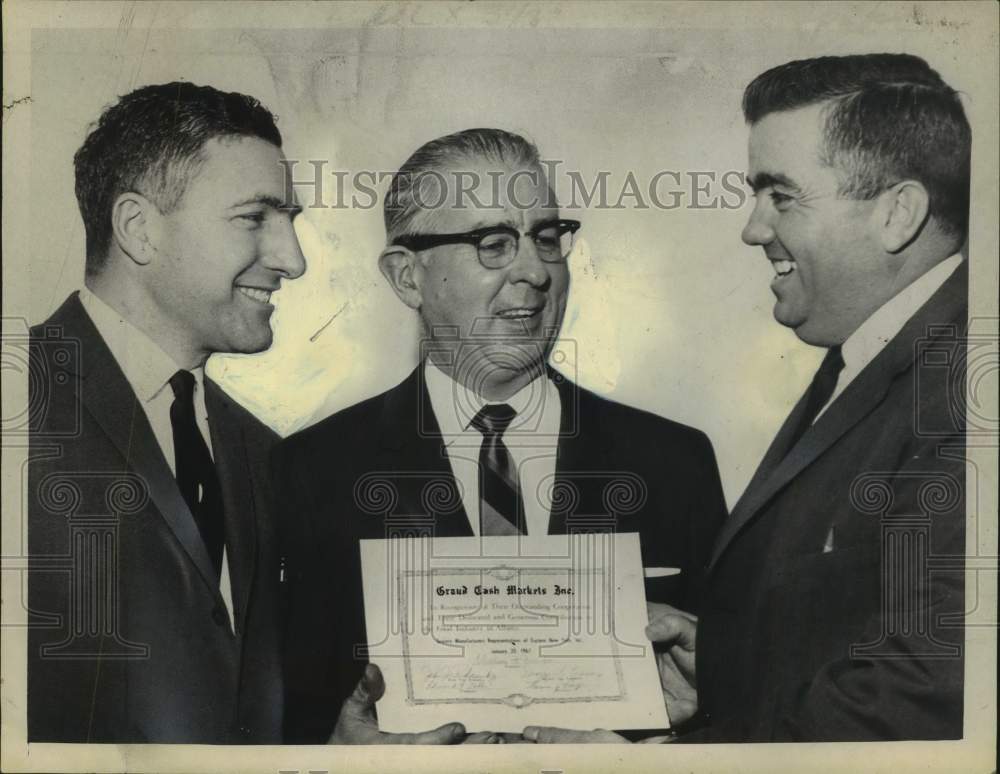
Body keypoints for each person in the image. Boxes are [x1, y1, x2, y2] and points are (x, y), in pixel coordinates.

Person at [526, 53, 969, 744]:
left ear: (899, 214)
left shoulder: (966, 388)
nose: (753, 228)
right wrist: (729, 669)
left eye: (781, 196)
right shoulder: (876, 358)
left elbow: (926, 694)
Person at [274, 128, 728, 743]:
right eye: (493, 243)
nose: (534, 271)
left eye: (546, 238)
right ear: (407, 277)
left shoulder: (674, 462)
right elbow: (286, 715)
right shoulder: (311, 472)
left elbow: (735, 710)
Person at [27, 82, 306, 742]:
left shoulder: (266, 453)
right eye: (253, 218)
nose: (293, 259)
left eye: (291, 220)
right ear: (138, 229)